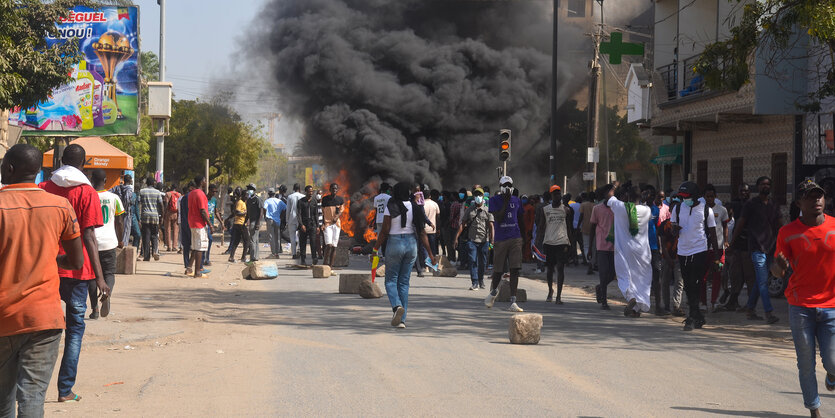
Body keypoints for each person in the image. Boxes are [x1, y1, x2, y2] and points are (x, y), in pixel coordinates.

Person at [0, 144, 86, 416]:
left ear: (10, 168)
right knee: (32, 398)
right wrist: (52, 259)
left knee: (3, 400)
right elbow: (76, 261)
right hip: (45, 317)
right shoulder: (61, 206)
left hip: (4, 318)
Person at [39, 144, 110, 402]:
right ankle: (65, 390)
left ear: (60, 160)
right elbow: (90, 235)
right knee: (75, 330)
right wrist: (100, 278)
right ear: (85, 163)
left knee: (43, 330)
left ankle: (33, 388)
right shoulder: (87, 192)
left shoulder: (44, 188)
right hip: (79, 272)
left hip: (47, 267)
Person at [771, 180, 834, 417]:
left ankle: (832, 373)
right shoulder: (787, 233)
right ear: (799, 203)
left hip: (831, 306)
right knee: (805, 363)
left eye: (819, 196)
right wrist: (778, 266)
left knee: (833, 361)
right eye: (810, 196)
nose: (816, 200)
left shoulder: (834, 227)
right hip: (800, 306)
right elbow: (777, 272)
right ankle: (814, 409)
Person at [373, 182, 436, 328]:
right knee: (404, 282)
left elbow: (385, 231)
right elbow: (421, 232)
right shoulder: (414, 206)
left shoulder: (391, 205)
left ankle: (396, 307)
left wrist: (375, 249)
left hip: (395, 244)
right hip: (411, 245)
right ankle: (402, 320)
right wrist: (431, 254)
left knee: (390, 281)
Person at [730, 176, 781, 324]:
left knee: (761, 281)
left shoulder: (773, 205)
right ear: (757, 187)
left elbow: (779, 224)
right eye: (762, 184)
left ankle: (750, 308)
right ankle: (769, 312)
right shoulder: (751, 204)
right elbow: (740, 223)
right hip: (756, 248)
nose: (765, 186)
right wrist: (732, 242)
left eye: (768, 184)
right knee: (763, 281)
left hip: (770, 247)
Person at [672, 181, 719, 331]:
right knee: (688, 284)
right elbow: (673, 231)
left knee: (695, 283)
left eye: (687, 197)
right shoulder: (678, 208)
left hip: (700, 250)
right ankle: (698, 315)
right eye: (683, 197)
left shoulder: (706, 210)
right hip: (682, 251)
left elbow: (712, 234)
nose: (685, 199)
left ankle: (691, 318)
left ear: (695, 196)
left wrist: (717, 256)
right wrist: (674, 229)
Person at [605, 182, 652, 317]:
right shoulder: (647, 210)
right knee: (641, 279)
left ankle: (631, 298)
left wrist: (614, 187)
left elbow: (609, 197)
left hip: (624, 250)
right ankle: (636, 308)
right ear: (640, 197)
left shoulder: (620, 207)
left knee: (624, 276)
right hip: (642, 251)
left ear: (627, 196)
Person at [484, 176, 525, 312]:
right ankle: (494, 291)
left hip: (515, 237)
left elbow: (520, 219)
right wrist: (506, 201)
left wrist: (523, 238)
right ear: (500, 186)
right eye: (505, 185)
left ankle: (513, 301)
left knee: (515, 269)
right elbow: (499, 217)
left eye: (509, 185)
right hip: (501, 239)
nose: (507, 187)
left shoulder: (517, 200)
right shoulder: (494, 200)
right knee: (498, 270)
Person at [88, 169, 124, 319]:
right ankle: (107, 293)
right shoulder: (114, 198)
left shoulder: (89, 197)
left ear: (91, 179)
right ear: (105, 180)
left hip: (91, 242)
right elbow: (120, 221)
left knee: (91, 276)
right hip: (109, 242)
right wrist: (121, 239)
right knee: (109, 273)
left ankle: (95, 309)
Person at [721, 183, 755, 311]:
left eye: (746, 191)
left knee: (749, 276)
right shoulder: (735, 205)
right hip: (737, 246)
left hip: (748, 245)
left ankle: (750, 305)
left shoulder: (752, 205)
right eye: (741, 191)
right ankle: (733, 301)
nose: (743, 193)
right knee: (736, 275)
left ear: (749, 192)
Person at [536, 185, 572, 304]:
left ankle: (559, 296)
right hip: (549, 242)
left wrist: (570, 243)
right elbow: (541, 227)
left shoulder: (566, 210)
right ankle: (550, 291)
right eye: (554, 194)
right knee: (550, 269)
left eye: (558, 193)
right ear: (551, 195)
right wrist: (537, 242)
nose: (557, 195)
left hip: (562, 242)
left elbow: (569, 227)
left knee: (560, 268)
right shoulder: (545, 210)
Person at [455, 188, 493, 290]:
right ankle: (474, 282)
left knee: (483, 262)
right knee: (472, 260)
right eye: (476, 195)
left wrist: (492, 240)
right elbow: (463, 224)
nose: (478, 197)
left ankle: (481, 280)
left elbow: (491, 226)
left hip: (484, 241)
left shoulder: (488, 210)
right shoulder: (469, 210)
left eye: (479, 195)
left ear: (483, 196)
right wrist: (456, 237)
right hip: (472, 240)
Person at [702, 184, 729, 312]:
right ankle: (703, 302)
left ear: (715, 196)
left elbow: (725, 227)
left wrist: (726, 241)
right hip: (704, 248)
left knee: (718, 273)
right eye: (707, 196)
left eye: (711, 196)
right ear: (704, 197)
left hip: (718, 247)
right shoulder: (700, 210)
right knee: (703, 276)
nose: (709, 199)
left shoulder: (722, 210)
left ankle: (714, 301)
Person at [591, 184, 616, 310]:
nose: (612, 193)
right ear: (605, 194)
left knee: (612, 274)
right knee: (603, 272)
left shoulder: (617, 208)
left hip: (615, 245)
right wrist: (591, 247)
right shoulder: (597, 208)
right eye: (611, 191)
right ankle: (604, 301)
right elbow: (592, 227)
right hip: (601, 245)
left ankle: (600, 287)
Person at [642, 185, 665, 315]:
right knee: (642, 275)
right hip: (641, 247)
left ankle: (658, 305)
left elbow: (656, 229)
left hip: (654, 247)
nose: (650, 197)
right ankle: (640, 303)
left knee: (657, 274)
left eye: (652, 195)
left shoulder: (656, 210)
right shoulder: (639, 209)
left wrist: (660, 246)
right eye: (648, 195)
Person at [188, 176, 212, 277]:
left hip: (192, 222)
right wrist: (210, 224)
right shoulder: (200, 194)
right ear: (202, 182)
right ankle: (197, 272)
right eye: (205, 180)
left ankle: (189, 268)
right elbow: (203, 211)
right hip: (199, 224)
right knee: (200, 248)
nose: (206, 182)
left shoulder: (191, 193)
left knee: (195, 247)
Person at [138, 176, 164, 261]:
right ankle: (155, 251)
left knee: (146, 236)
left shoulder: (142, 191)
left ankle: (146, 256)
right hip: (154, 216)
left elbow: (139, 204)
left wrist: (139, 218)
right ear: (153, 183)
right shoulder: (157, 192)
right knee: (154, 235)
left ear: (146, 183)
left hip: (145, 216)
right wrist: (162, 216)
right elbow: (161, 205)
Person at [321, 183, 345, 267]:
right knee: (328, 245)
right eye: (332, 189)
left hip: (336, 225)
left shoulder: (340, 200)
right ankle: (325, 264)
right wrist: (322, 224)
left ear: (337, 190)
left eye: (335, 189)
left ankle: (330, 267)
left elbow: (341, 210)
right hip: (327, 224)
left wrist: (337, 217)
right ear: (330, 190)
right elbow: (323, 212)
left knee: (334, 246)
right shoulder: (325, 199)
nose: (334, 190)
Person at [110, 174, 134, 247]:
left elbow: (109, 191)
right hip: (126, 213)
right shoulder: (129, 189)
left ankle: (118, 244)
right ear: (129, 181)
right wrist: (125, 208)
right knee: (126, 230)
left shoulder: (117, 187)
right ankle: (124, 245)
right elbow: (127, 199)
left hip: (118, 212)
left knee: (118, 229)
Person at [297, 186, 320, 266]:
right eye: (309, 191)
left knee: (313, 242)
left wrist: (317, 226)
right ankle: (303, 259)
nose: (311, 193)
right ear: (305, 192)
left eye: (312, 191)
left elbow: (316, 214)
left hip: (312, 224)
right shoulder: (301, 201)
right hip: (304, 224)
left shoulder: (314, 201)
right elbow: (298, 214)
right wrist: (301, 225)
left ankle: (314, 258)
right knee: (302, 243)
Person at [227, 188, 249, 263]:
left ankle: (231, 257)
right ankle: (243, 257)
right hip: (240, 224)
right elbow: (236, 212)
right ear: (242, 195)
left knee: (236, 241)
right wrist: (244, 213)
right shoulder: (240, 202)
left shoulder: (243, 202)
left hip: (239, 223)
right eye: (246, 195)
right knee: (246, 240)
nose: (247, 196)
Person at [264, 188, 287, 259]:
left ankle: (273, 253)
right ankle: (277, 253)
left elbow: (264, 209)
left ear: (268, 194)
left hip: (270, 220)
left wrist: (265, 217)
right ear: (274, 194)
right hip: (277, 220)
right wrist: (281, 216)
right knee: (277, 237)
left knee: (271, 237)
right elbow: (285, 208)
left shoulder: (267, 201)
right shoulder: (279, 201)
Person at [244, 184, 263, 262]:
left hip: (255, 221)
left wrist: (258, 223)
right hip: (251, 221)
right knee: (255, 240)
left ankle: (253, 257)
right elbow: (248, 212)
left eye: (250, 189)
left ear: (253, 189)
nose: (248, 190)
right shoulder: (249, 200)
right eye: (248, 189)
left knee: (252, 240)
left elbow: (261, 212)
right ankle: (255, 257)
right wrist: (245, 220)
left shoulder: (257, 199)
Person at [286, 184, 305, 258]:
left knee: (292, 237)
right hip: (301, 219)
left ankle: (294, 254)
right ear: (299, 189)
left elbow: (288, 210)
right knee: (301, 236)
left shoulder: (290, 197)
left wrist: (287, 221)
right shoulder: (303, 196)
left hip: (292, 218)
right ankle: (299, 250)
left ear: (293, 189)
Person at [580, 192, 596, 271]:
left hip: (585, 227)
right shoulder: (597, 206)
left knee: (586, 246)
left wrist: (578, 226)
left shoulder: (583, 205)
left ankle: (588, 261)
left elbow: (581, 216)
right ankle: (592, 262)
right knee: (593, 246)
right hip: (595, 228)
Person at [205, 184, 221, 266]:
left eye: (215, 191)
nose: (214, 193)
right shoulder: (204, 199)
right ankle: (205, 259)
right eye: (213, 191)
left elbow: (216, 212)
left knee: (210, 241)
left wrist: (221, 222)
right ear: (209, 190)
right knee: (208, 240)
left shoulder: (214, 200)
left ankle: (206, 258)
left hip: (211, 222)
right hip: (204, 223)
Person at [179, 182, 194, 270]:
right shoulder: (191, 197)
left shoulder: (184, 198)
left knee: (186, 246)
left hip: (184, 222)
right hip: (190, 223)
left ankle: (186, 263)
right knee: (195, 245)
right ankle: (192, 265)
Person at [163, 184, 181, 252]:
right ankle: (174, 246)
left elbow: (166, 204)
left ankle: (169, 246)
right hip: (176, 213)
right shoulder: (179, 194)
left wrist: (164, 213)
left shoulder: (168, 194)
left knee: (167, 229)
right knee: (176, 230)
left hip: (169, 213)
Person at [569, 195, 584, 265]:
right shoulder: (582, 206)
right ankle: (585, 259)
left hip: (573, 227)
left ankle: (575, 259)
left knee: (573, 244)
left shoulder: (572, 205)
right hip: (581, 228)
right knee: (582, 244)